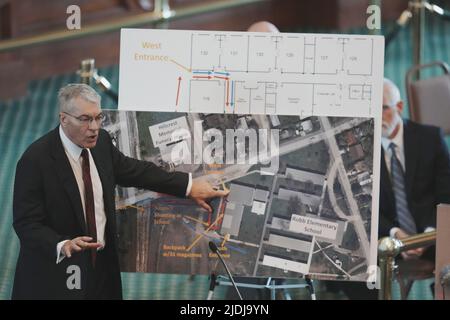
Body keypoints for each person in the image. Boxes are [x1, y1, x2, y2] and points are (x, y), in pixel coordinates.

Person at [12, 83, 228, 299]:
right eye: (86, 119)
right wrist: (62, 244)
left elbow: (136, 171)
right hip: (58, 277)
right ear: (64, 119)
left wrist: (188, 187)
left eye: (98, 118)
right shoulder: (35, 161)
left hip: (102, 270)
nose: (94, 127)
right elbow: (26, 223)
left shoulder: (101, 143)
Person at [326, 78, 450, 299]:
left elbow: (446, 195)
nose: (377, 116)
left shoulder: (430, 138)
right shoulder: (359, 149)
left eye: (383, 109)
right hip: (387, 238)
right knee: (355, 262)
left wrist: (428, 235)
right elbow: (362, 205)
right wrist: (396, 235)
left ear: (399, 107)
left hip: (432, 234)